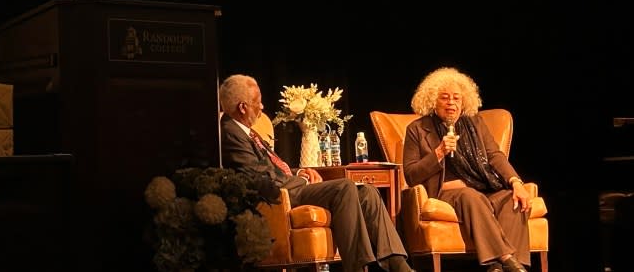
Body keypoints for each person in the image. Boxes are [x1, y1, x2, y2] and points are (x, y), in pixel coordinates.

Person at [219, 74, 415, 272]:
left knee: (367, 192)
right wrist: (302, 181)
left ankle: (397, 264)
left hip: (289, 186)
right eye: (257, 103)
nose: (262, 107)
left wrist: (301, 171)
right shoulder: (229, 133)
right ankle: (358, 267)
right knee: (344, 187)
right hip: (279, 196)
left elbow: (273, 168)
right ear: (243, 107)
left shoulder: (247, 131)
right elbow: (259, 176)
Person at [403, 67, 532, 272]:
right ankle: (508, 260)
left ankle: (497, 268)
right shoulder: (417, 129)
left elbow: (494, 156)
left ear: (464, 102)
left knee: (511, 200)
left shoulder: (476, 123)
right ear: (432, 101)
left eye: (456, 98)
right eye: (445, 98)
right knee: (470, 196)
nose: (451, 103)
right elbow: (410, 175)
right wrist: (439, 152)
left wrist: (516, 182)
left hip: (482, 188)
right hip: (447, 193)